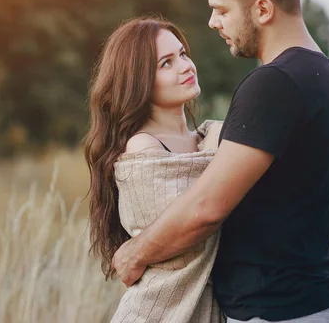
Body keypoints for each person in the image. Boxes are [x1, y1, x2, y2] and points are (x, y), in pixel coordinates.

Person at [111, 0, 329, 323]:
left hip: (278, 308)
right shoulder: (320, 72)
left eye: (221, 10)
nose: (212, 22)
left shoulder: (274, 83)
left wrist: (135, 252)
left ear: (262, 9)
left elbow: (207, 208)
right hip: (306, 300)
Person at [83, 16, 225, 322]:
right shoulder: (142, 149)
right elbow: (194, 226)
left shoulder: (207, 138)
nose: (186, 66)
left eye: (183, 55)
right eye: (167, 63)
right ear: (139, 81)